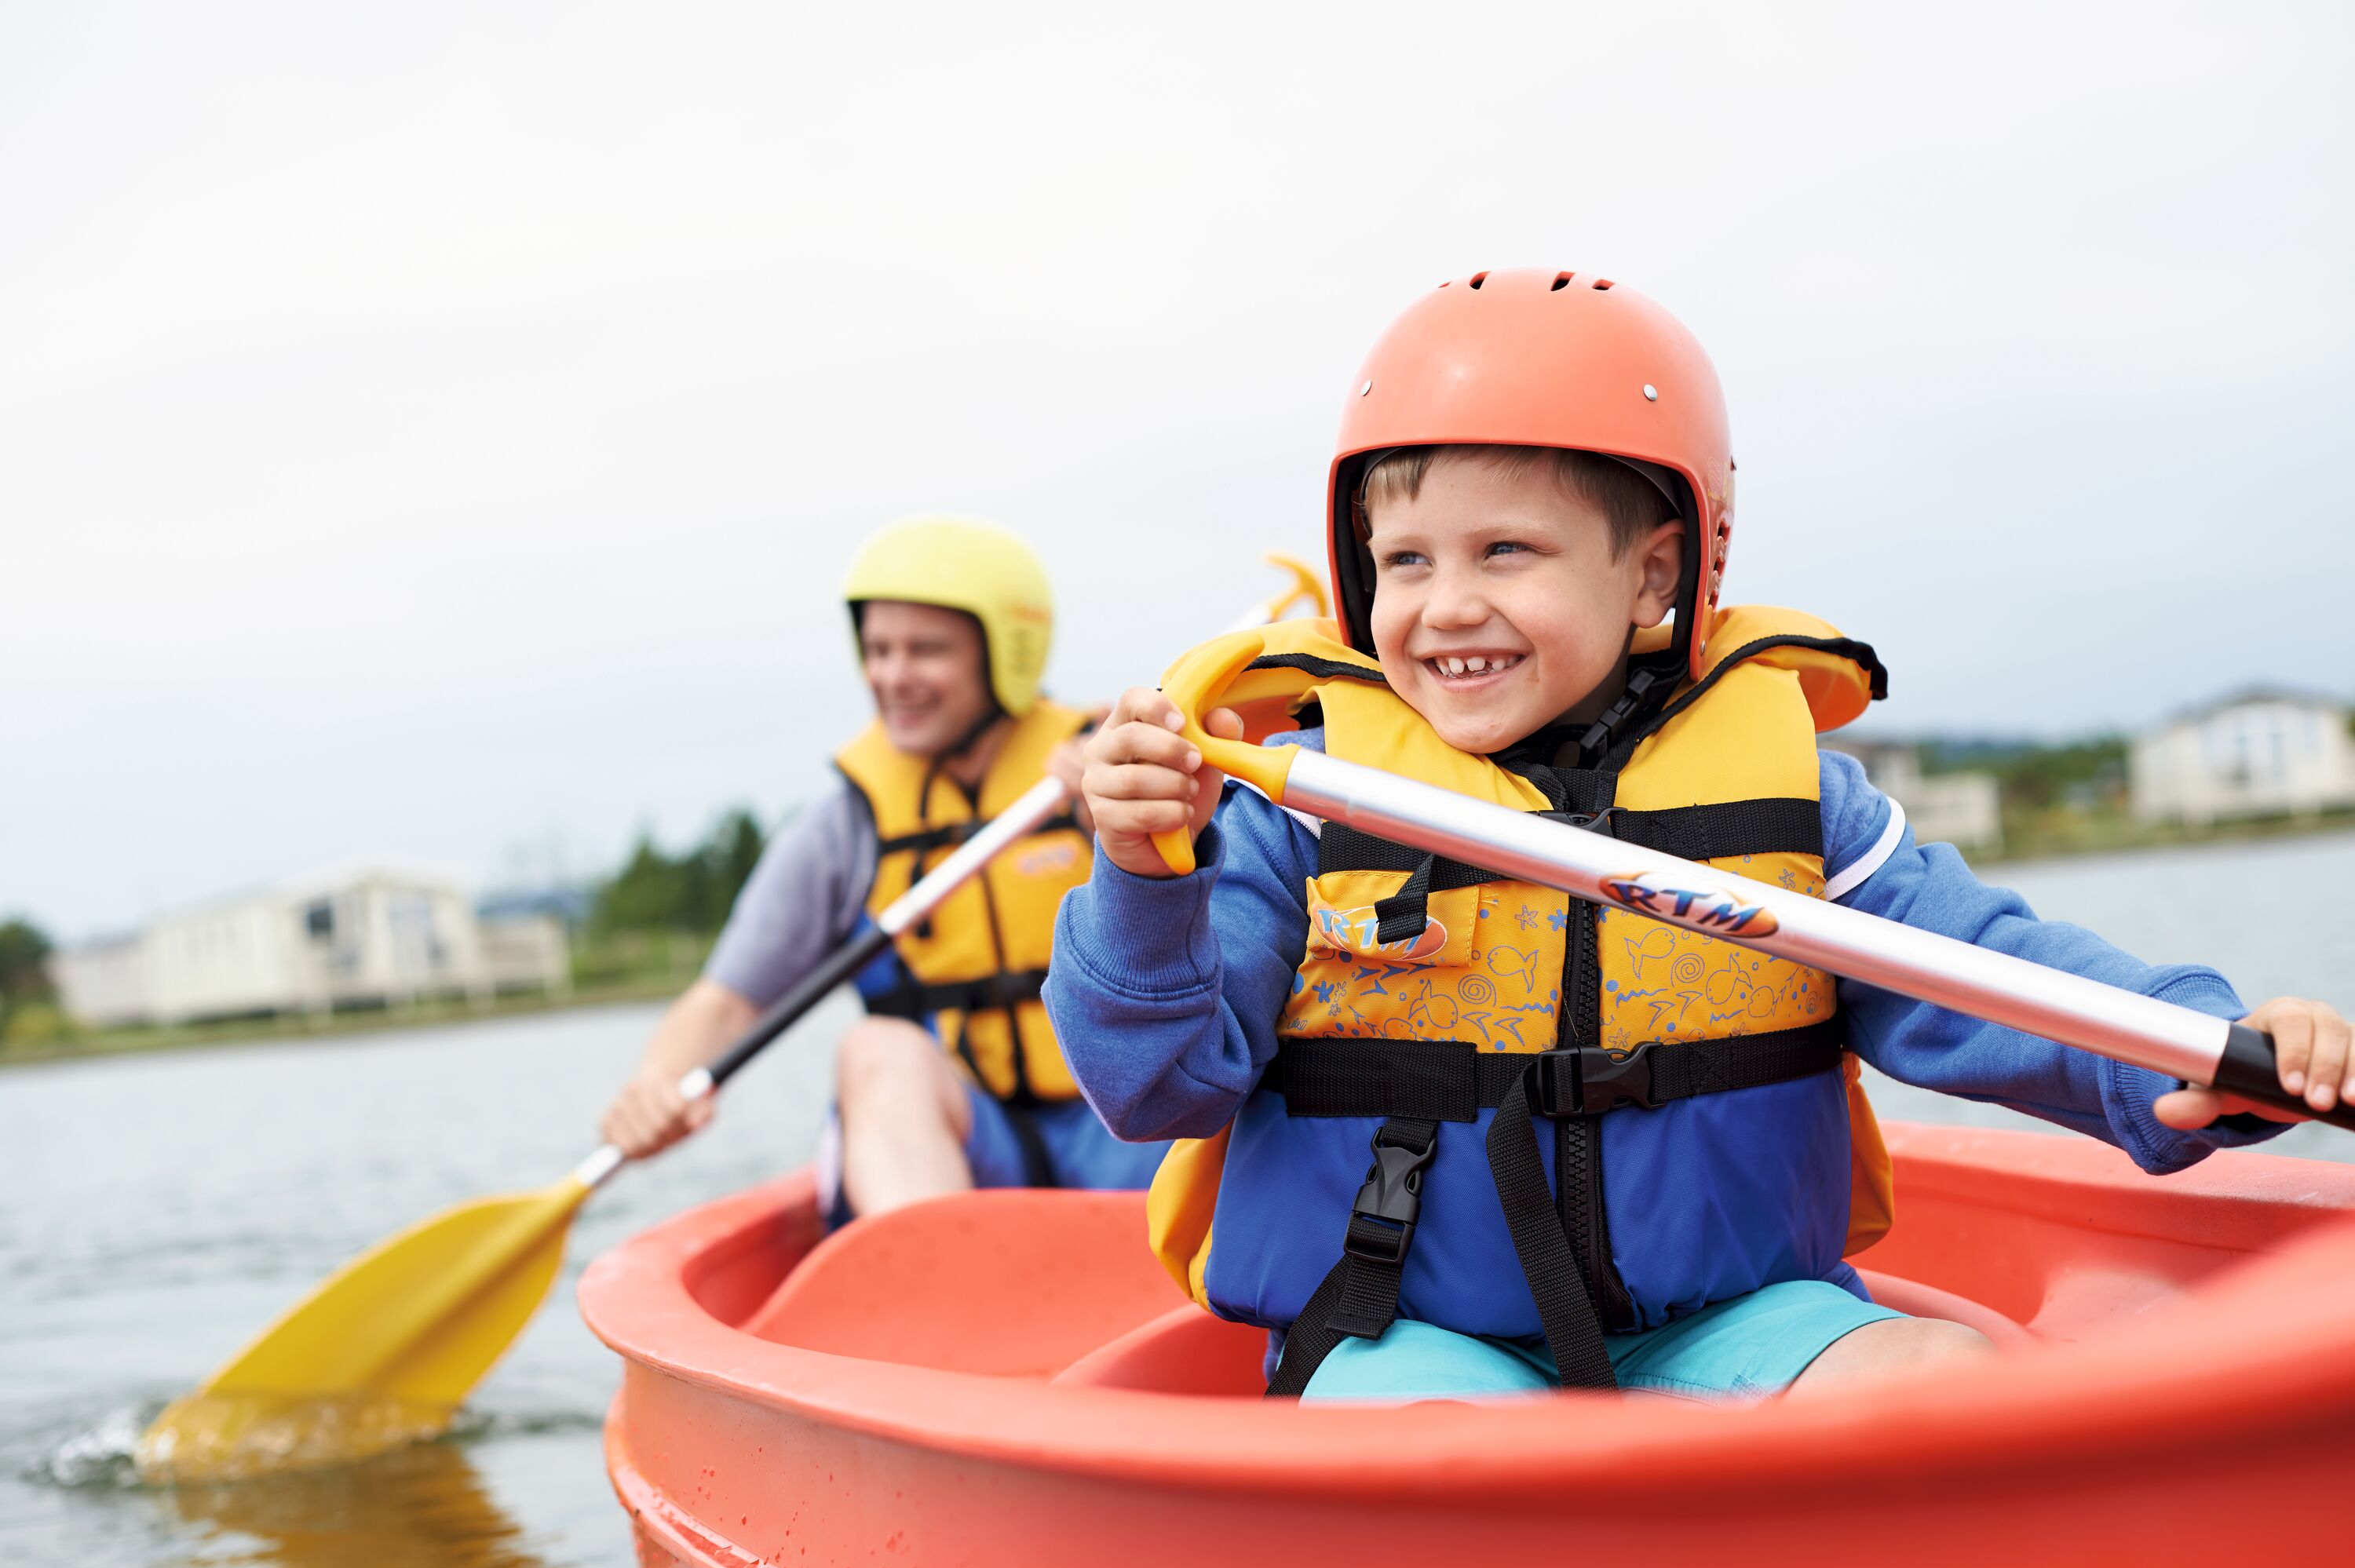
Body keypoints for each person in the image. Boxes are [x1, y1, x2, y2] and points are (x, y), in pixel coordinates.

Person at [1046, 268, 2350, 1404]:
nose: (1447, 607)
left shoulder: (1803, 806)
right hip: (1409, 1331)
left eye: (1507, 550)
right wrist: (1144, 877)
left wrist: (2190, 1044)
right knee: (1456, 1459)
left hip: (1723, 1320)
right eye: (1407, 560)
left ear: (1659, 574)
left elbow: (1993, 971)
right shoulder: (1294, 808)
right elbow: (1161, 1086)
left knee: (1941, 1385)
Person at [601, 516, 1169, 1222]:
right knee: (875, 1050)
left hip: (1138, 1140)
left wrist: (1126, 830)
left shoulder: (1111, 765)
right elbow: (726, 1002)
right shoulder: (845, 829)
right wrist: (657, 1084)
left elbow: (1232, 944)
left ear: (1007, 655)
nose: (892, 677)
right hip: (970, 1149)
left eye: (925, 650)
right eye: (877, 650)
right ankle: (939, 1286)